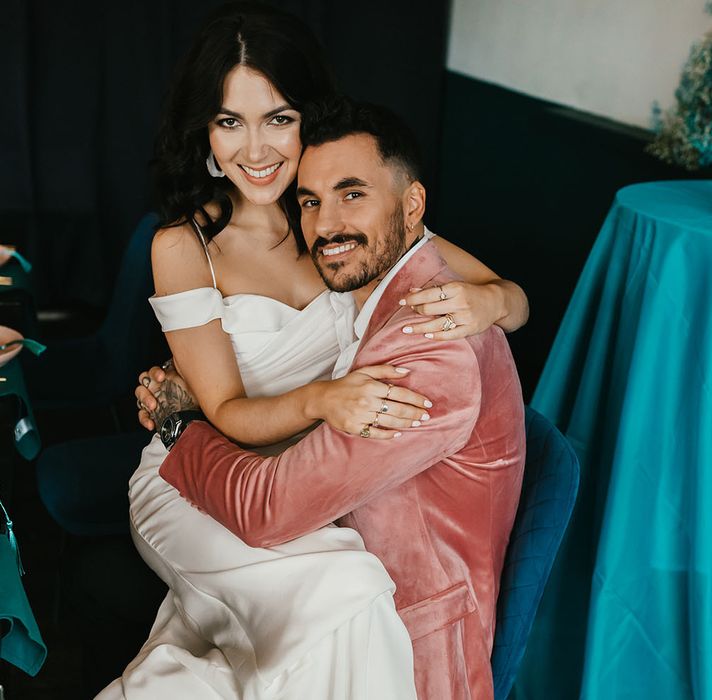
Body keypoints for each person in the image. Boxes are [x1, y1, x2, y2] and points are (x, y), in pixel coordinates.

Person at [98, 2, 528, 698]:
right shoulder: (184, 247)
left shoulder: (342, 221)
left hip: (306, 488)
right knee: (350, 590)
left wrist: (490, 303)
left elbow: (510, 296)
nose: (256, 149)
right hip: (193, 481)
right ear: (205, 131)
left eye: (278, 118)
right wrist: (324, 398)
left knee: (339, 600)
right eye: (230, 121)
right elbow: (229, 412)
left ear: (309, 117)